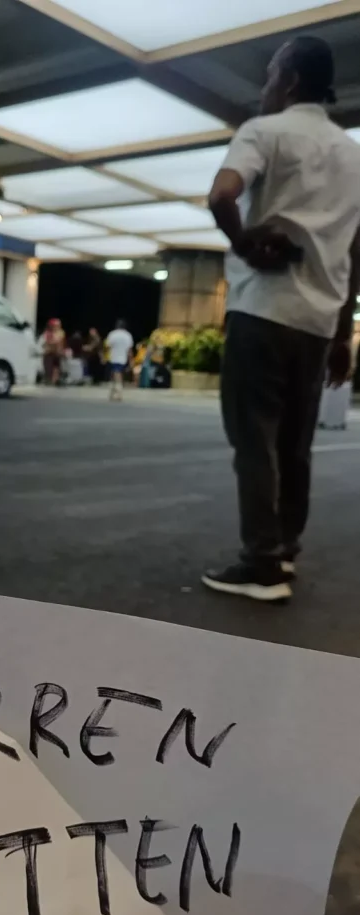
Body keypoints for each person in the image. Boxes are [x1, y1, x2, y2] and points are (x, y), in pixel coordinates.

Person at [202, 35, 360, 603]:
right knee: (296, 443)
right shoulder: (354, 155)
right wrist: (344, 332)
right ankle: (286, 549)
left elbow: (221, 195)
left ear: (290, 80)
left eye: (271, 75)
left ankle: (261, 564)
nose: (265, 86)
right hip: (318, 323)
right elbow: (354, 250)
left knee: (255, 439)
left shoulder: (263, 133)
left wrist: (243, 243)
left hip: (263, 311)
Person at [106, 319, 133, 401]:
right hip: (123, 358)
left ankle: (118, 391)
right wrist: (131, 360)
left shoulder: (112, 334)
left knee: (116, 373)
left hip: (113, 357)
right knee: (116, 373)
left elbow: (108, 346)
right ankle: (114, 391)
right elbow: (129, 350)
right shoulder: (127, 335)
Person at [40, 318, 65, 386]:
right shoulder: (47, 333)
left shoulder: (60, 332)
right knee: (48, 366)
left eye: (57, 325)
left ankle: (55, 380)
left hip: (57, 352)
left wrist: (51, 343)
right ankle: (49, 379)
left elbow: (59, 342)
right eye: (54, 326)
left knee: (56, 366)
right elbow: (44, 343)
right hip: (48, 352)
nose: (55, 327)